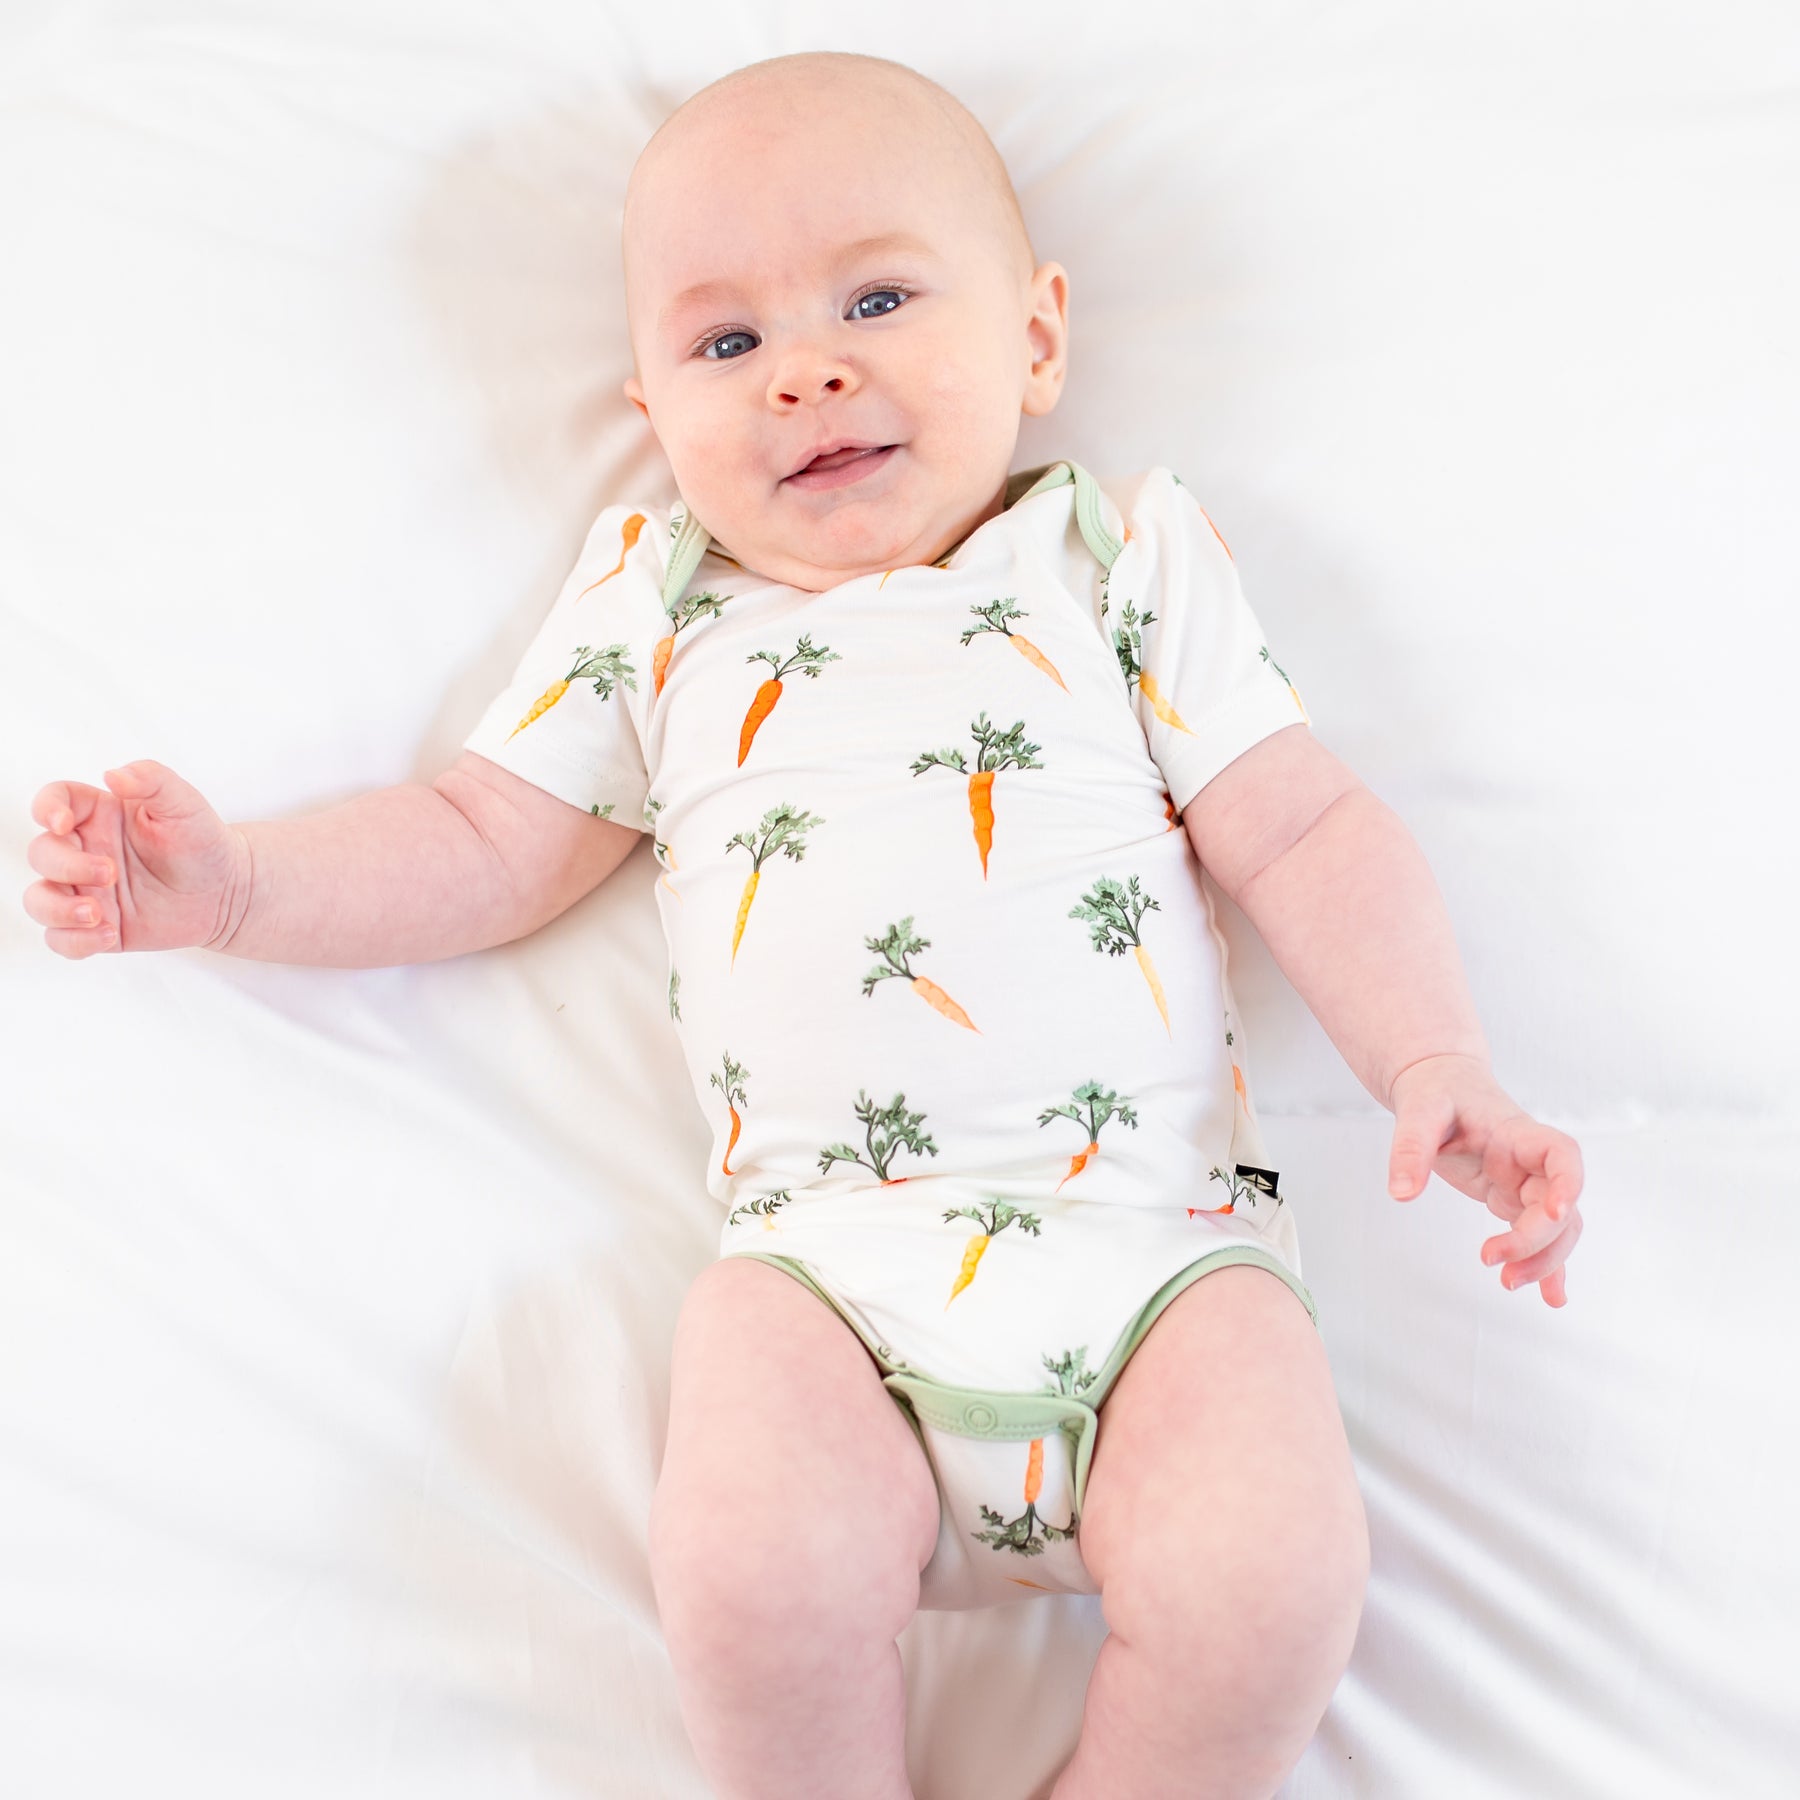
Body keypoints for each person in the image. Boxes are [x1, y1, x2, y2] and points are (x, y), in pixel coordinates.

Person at [23, 49, 1585, 1800]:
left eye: (878, 297)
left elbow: (1301, 825)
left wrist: (1431, 1051)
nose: (808, 372)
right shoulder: (659, 608)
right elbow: (478, 839)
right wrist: (233, 888)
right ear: (651, 409)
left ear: (1038, 340)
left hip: (1159, 1262)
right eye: (726, 344)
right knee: (750, 1574)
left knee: (1277, 1583)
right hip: (829, 1285)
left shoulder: (1118, 562)